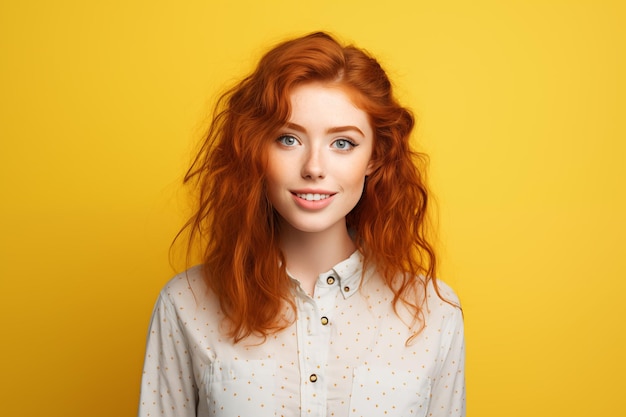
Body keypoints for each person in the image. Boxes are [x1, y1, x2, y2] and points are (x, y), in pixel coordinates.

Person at [138, 31, 465, 417]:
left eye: (342, 143)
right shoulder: (186, 303)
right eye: (288, 139)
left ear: (375, 157)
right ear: (256, 149)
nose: (313, 168)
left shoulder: (432, 312)